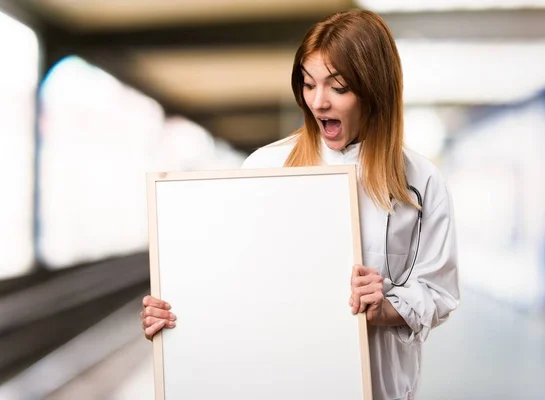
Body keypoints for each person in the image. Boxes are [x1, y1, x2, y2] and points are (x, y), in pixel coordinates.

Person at [141, 9, 459, 400]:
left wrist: (385, 308)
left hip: (379, 387)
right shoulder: (264, 166)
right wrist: (175, 313)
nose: (318, 102)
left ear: (376, 90)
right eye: (308, 85)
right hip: (279, 380)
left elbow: (439, 292)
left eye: (338, 88)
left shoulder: (421, 182)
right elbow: (231, 277)